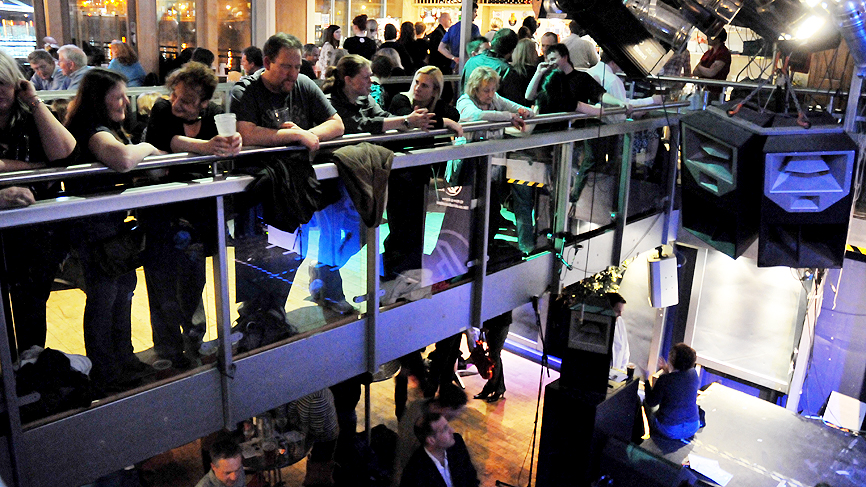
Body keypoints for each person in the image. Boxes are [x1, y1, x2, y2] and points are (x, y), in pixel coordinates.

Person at [230, 32, 343, 317]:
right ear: (267, 62)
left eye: (297, 66)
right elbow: (246, 133)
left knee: (291, 255)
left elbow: (336, 124)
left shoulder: (303, 84)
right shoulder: (246, 90)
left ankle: (274, 314)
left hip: (294, 189)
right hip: (259, 193)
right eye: (286, 67)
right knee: (257, 260)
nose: (293, 73)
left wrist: (306, 134)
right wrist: (294, 136)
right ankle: (255, 317)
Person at [65, 68, 164, 391]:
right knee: (105, 297)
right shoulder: (93, 130)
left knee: (120, 291)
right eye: (118, 96)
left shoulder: (101, 128)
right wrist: (148, 148)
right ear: (99, 100)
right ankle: (107, 371)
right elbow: (122, 159)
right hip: (96, 227)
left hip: (107, 226)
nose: (125, 102)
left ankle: (121, 361)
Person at [142, 62, 241, 368]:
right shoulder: (162, 110)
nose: (176, 103)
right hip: (162, 211)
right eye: (175, 95)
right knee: (162, 281)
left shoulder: (214, 116)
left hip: (198, 214)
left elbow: (224, 151)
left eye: (186, 100)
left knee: (193, 280)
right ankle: (168, 349)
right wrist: (207, 147)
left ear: (204, 103)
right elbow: (170, 141)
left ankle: (194, 341)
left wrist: (233, 142)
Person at [0, 49, 76, 362]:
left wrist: (33, 100)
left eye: (2, 82)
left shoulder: (30, 114)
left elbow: (65, 154)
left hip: (37, 236)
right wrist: (34, 168)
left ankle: (29, 372)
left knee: (31, 308)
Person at [392, 384, 467, 487]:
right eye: (458, 411)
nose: (458, 415)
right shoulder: (420, 426)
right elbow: (411, 460)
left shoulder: (422, 405)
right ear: (447, 408)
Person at [399, 412, 479, 487]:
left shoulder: (457, 442)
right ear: (431, 440)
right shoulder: (414, 472)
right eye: (445, 429)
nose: (452, 430)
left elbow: (471, 476)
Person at [644, 343, 702, 440]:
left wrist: (646, 379)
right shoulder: (693, 374)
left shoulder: (664, 380)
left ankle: (652, 437)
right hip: (693, 426)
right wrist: (666, 369)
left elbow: (651, 402)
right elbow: (678, 382)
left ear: (674, 360)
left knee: (647, 406)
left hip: (670, 430)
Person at [461, 28, 523, 106]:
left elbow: (462, 91)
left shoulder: (471, 61)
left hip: (468, 110)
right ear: (512, 50)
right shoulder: (506, 71)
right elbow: (515, 104)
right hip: (493, 112)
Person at [473, 311, 512, 403]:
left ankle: (494, 388)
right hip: (496, 322)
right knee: (493, 356)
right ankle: (496, 388)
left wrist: (486, 325)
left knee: (494, 356)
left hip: (500, 323)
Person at [438, 3, 480, 73]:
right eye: (475, 11)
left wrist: (453, 58)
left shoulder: (452, 28)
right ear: (469, 12)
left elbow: (441, 48)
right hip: (470, 66)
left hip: (455, 65)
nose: (476, 15)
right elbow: (479, 46)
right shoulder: (474, 29)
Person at [692, 29, 731, 99]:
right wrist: (705, 70)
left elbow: (711, 73)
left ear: (718, 39)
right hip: (701, 90)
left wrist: (700, 67)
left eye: (710, 36)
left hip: (714, 93)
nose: (707, 38)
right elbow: (695, 72)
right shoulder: (708, 53)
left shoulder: (723, 54)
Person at [606, 292, 630, 371]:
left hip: (617, 372)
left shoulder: (620, 322)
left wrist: (621, 371)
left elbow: (625, 350)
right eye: (617, 311)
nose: (620, 315)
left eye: (621, 311)